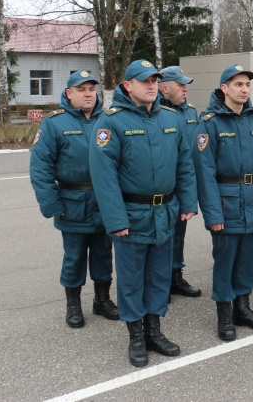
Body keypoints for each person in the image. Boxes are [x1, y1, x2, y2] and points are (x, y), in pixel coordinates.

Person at [89, 59, 198, 368]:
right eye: (144, 80)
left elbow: (184, 164)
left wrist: (188, 203)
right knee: (132, 280)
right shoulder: (111, 122)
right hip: (132, 215)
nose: (151, 85)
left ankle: (154, 331)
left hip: (165, 212)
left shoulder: (170, 118)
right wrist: (116, 220)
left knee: (160, 276)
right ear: (128, 85)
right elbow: (104, 177)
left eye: (154, 80)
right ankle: (136, 336)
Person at [193, 64, 253, 341]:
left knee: (247, 259)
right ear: (224, 88)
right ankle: (224, 313)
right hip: (226, 203)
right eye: (238, 85)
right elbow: (205, 173)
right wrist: (212, 215)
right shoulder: (209, 123)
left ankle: (242, 308)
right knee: (225, 261)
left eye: (247, 85)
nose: (244, 90)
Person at [30, 70, 119, 329]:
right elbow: (40, 168)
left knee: (103, 254)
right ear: (69, 94)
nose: (88, 94)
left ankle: (102, 300)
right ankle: (73, 306)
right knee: (74, 257)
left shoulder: (109, 120)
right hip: (72, 202)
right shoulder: (54, 123)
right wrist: (52, 204)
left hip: (104, 201)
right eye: (81, 89)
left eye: (91, 89)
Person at [158, 66, 201, 299]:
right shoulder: (154, 112)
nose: (185, 89)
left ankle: (176, 277)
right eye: (180, 85)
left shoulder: (190, 112)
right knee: (161, 237)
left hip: (182, 185)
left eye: (186, 85)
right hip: (161, 187)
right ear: (165, 88)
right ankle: (160, 282)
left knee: (178, 235)